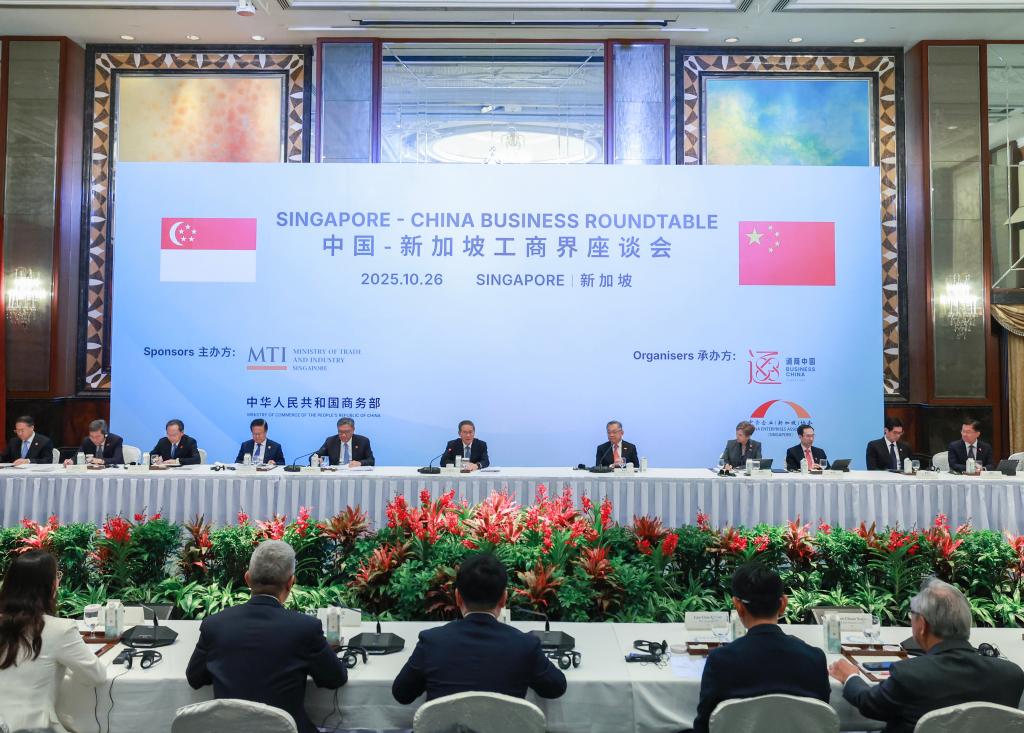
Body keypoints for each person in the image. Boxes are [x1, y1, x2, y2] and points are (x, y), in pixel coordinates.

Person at [186, 540, 347, 733]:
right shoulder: (306, 628)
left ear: (247, 579)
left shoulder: (214, 625)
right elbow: (335, 678)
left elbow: (194, 678)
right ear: (291, 583)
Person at [829, 577, 1024, 733]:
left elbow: (870, 704)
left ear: (922, 625)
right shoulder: (1011, 675)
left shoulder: (910, 675)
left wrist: (851, 676)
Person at [392, 552, 565, 704]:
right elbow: (555, 688)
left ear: (458, 597)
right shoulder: (525, 645)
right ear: (504, 599)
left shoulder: (432, 642)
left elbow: (402, 694)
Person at [692, 562, 829, 733]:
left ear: (738, 606)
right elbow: (821, 720)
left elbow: (704, 726)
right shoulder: (815, 659)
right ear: (783, 604)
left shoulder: (721, 661)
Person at [0, 550, 107, 732]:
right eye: (57, 575)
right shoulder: (60, 630)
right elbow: (96, 676)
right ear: (50, 586)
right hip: (34, 728)